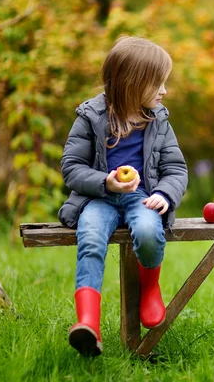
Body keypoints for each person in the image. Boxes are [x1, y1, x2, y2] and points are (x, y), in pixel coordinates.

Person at [58, 36, 188, 357]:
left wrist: (164, 194)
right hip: (99, 198)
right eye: (158, 83)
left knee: (147, 230)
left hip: (141, 197)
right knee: (90, 239)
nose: (164, 91)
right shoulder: (90, 117)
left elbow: (176, 168)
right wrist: (106, 182)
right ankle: (88, 324)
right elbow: (72, 168)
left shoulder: (157, 120)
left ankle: (150, 288)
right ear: (134, 83)